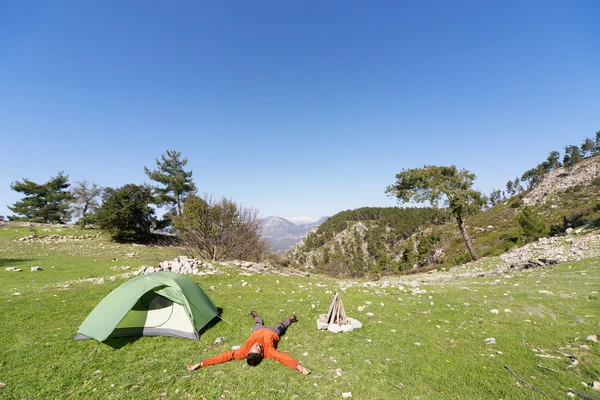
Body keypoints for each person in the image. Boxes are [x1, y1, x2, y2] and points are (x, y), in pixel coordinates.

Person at [186, 311, 310, 375]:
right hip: (273, 332)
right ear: (261, 354)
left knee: (257, 322)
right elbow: (283, 358)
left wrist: (202, 363)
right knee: (282, 326)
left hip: (257, 330)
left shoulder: (243, 351)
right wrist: (298, 366)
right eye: (257, 348)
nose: (255, 345)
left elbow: (224, 356)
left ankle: (256, 316)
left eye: (253, 348)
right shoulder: (269, 352)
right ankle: (290, 319)